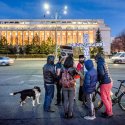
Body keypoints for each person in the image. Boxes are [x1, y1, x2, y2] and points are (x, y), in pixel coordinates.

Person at [95, 53, 113, 118]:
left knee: (104, 98)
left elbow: (101, 74)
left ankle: (109, 113)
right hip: (109, 82)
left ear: (97, 58)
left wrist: (99, 81)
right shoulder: (103, 62)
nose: (95, 60)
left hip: (105, 83)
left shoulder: (99, 63)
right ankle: (108, 111)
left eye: (95, 59)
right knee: (108, 98)